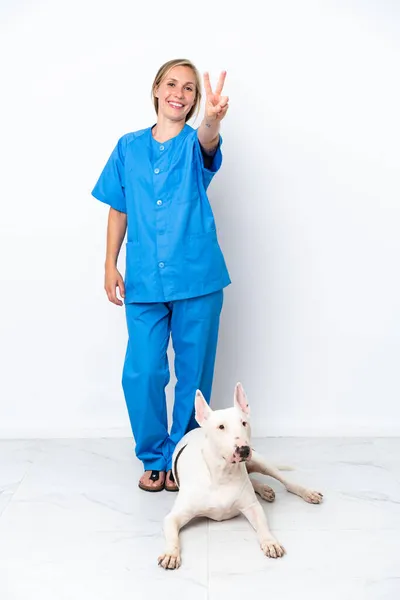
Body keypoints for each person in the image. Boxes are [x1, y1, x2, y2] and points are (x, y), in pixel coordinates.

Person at [91, 58, 231, 492]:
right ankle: (153, 454)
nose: (180, 92)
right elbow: (119, 207)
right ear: (156, 90)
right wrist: (110, 262)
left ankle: (180, 457)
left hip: (198, 278)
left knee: (193, 376)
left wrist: (211, 119)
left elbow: (210, 141)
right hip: (144, 281)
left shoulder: (195, 144)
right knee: (143, 371)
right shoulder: (127, 147)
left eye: (189, 88)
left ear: (193, 101)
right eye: (172, 84)